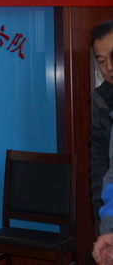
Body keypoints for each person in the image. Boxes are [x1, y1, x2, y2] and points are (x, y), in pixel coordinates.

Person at [91, 22, 113, 265]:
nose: (109, 67)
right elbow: (103, 166)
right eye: (101, 60)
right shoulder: (102, 100)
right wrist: (106, 225)